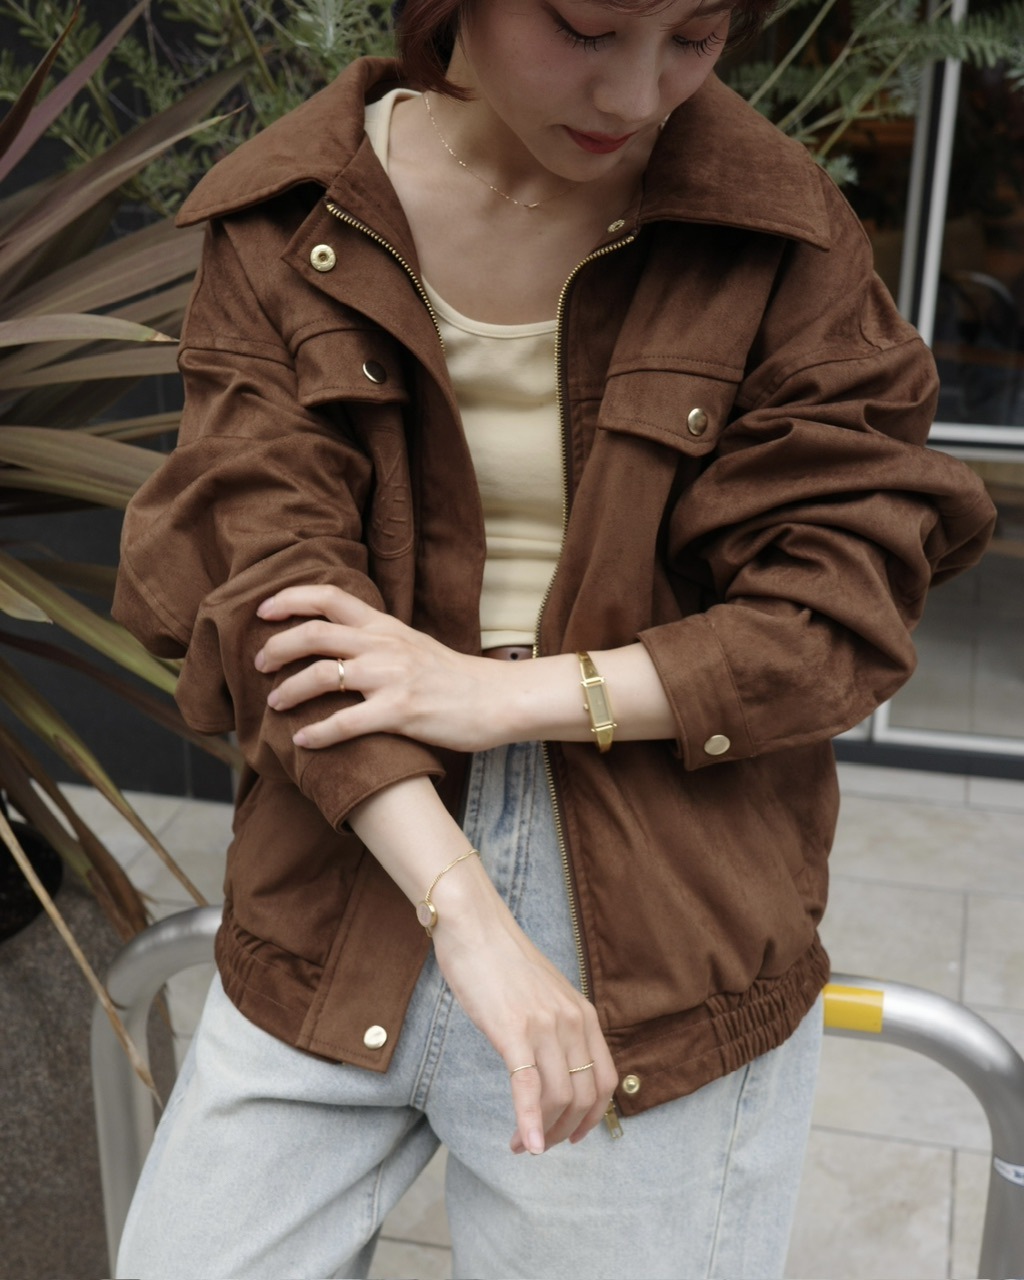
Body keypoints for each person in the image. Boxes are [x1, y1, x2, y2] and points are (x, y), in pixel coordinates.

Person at [111, 2, 995, 1277]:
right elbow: (272, 591)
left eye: (695, 36)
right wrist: (466, 910)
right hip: (347, 860)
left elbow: (831, 612)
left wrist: (498, 696)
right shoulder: (292, 212)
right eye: (586, 28)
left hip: (661, 916)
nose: (638, 94)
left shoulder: (776, 230)